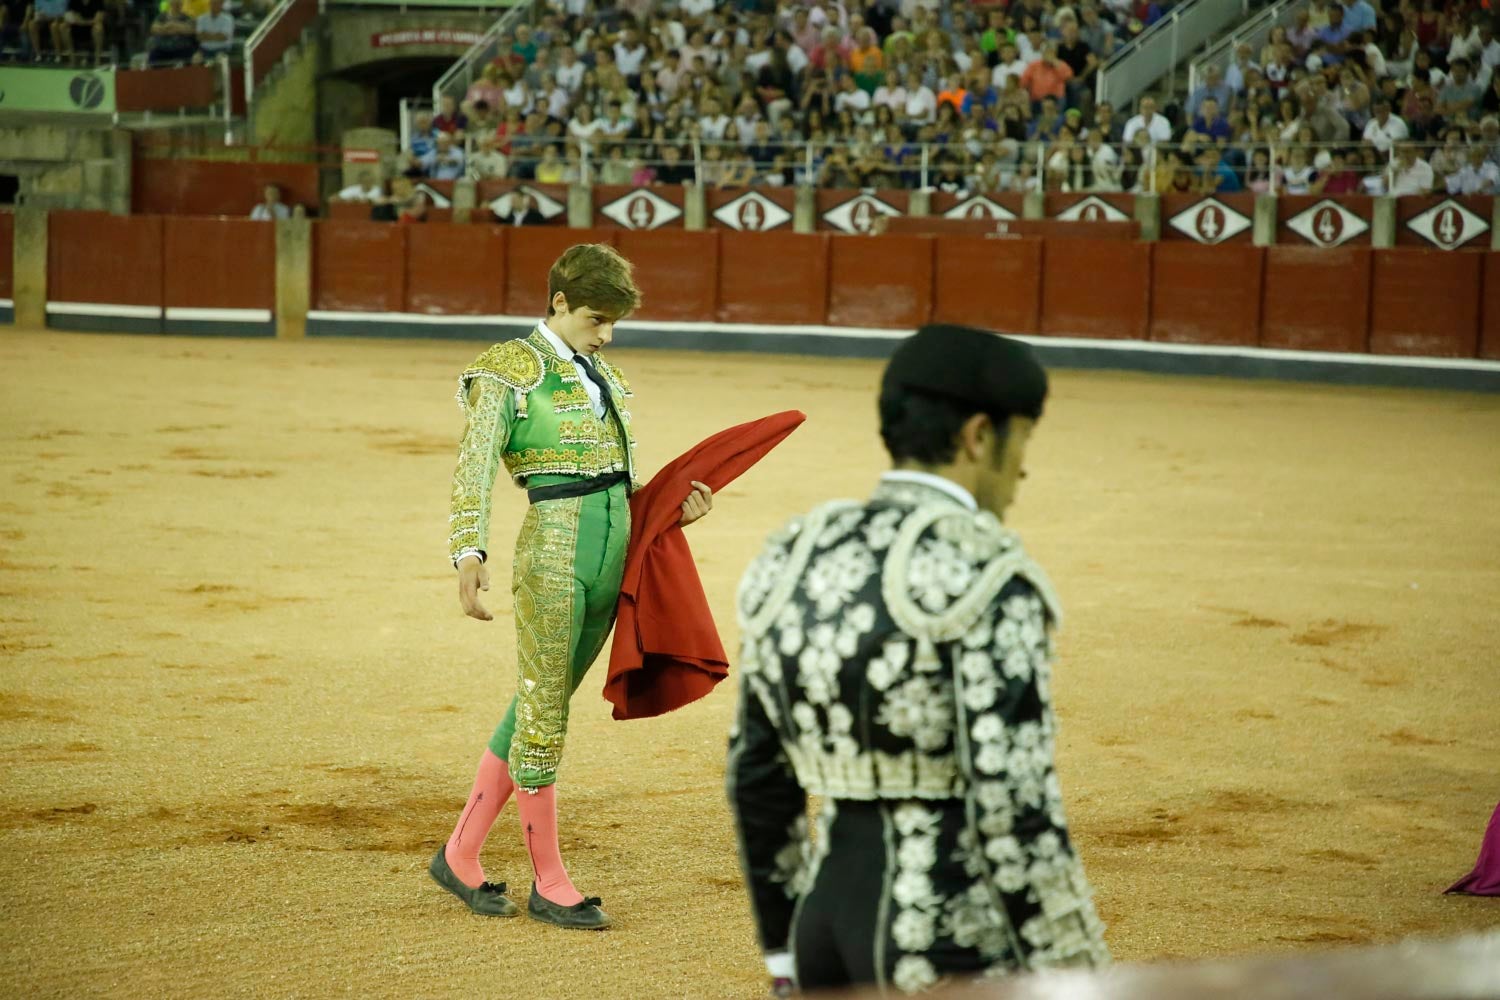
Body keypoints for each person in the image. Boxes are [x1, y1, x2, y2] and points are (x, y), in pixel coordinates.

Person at [728, 325, 1110, 996]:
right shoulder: (988, 573)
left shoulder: (795, 551)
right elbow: (1015, 808)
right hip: (943, 939)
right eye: (1021, 440)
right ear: (979, 436)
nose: (1022, 468)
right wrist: (1077, 974)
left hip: (820, 929)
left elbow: (757, 775)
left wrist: (785, 950)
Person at [431, 244, 715, 930]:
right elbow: (473, 466)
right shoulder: (509, 369)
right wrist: (468, 550)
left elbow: (622, 480)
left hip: (610, 556)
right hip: (555, 553)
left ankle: (460, 853)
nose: (607, 333)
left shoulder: (605, 377)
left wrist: (676, 506)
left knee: (542, 697)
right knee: (545, 712)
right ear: (558, 301)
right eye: (597, 318)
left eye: (614, 321)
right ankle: (549, 879)